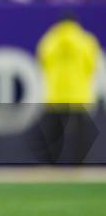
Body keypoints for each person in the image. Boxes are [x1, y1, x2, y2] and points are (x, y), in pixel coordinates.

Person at [36, 15, 102, 162]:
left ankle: (53, 163)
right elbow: (92, 65)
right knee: (81, 133)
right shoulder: (86, 40)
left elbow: (42, 61)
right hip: (79, 94)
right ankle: (78, 162)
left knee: (54, 133)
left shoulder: (50, 40)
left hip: (56, 94)